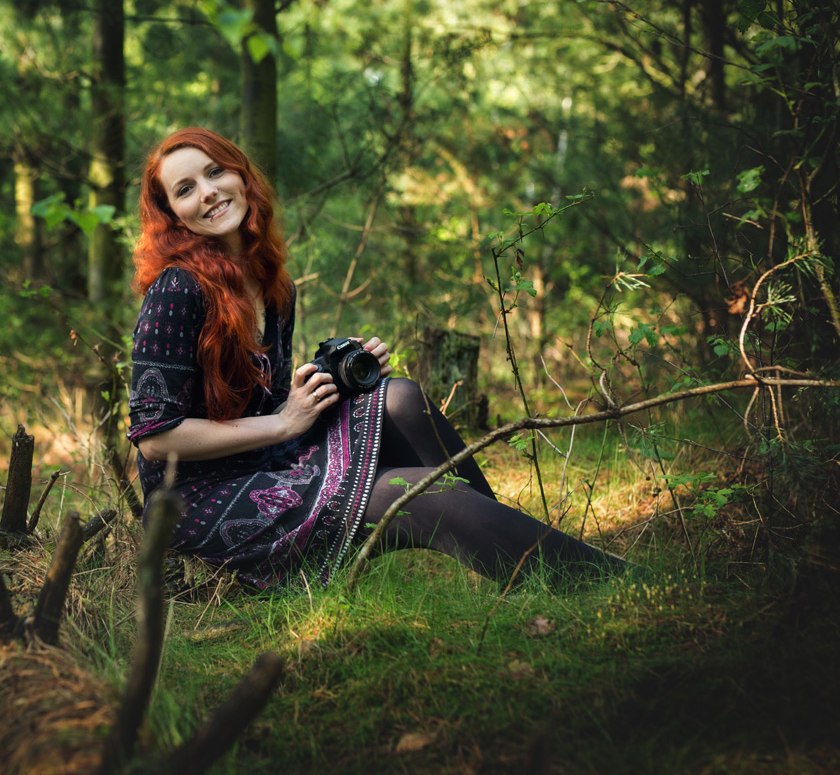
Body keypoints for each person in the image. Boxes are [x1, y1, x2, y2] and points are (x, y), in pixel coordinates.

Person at [127, 127, 623, 590]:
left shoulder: (273, 286)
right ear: (173, 215)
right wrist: (283, 423)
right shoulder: (178, 289)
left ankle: (518, 561)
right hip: (199, 503)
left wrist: (333, 382)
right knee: (416, 493)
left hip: (263, 461)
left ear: (241, 175)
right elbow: (156, 439)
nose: (208, 192)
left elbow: (268, 403)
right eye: (186, 189)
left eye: (215, 171)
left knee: (399, 397)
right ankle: (613, 585)